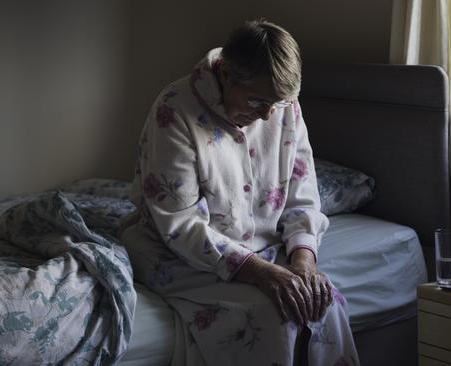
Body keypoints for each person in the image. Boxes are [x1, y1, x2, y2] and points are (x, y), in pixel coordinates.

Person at [119, 19, 358, 365]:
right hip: (178, 255)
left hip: (263, 252)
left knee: (325, 305)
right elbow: (180, 225)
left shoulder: (283, 106)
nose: (265, 116)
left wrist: (303, 262)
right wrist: (261, 272)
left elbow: (301, 194)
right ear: (227, 75)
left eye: (275, 105)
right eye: (257, 101)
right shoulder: (175, 110)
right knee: (271, 318)